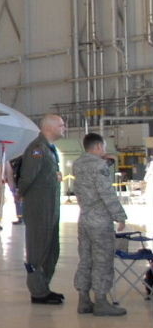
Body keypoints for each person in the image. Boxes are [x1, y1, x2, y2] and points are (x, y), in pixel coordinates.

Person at [70, 133, 128, 316]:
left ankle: (84, 300)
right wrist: (119, 216)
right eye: (102, 147)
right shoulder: (100, 166)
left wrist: (105, 164)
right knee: (102, 260)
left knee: (86, 258)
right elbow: (106, 193)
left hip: (84, 218)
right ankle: (101, 301)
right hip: (100, 220)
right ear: (97, 147)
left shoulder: (78, 164)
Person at [17, 114, 67, 304]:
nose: (64, 128)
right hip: (39, 208)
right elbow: (27, 177)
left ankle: (44, 287)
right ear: (49, 128)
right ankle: (38, 292)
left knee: (51, 249)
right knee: (38, 249)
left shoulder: (49, 149)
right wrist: (21, 194)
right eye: (61, 125)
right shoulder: (37, 149)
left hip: (50, 208)